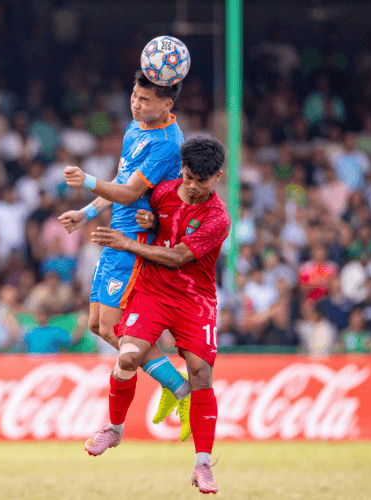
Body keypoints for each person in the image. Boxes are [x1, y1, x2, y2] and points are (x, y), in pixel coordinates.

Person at [83, 136, 229, 494]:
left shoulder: (217, 218)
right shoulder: (163, 191)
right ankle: (114, 430)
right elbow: (131, 198)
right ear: (182, 169)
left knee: (201, 372)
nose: (193, 187)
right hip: (153, 291)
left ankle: (203, 465)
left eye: (202, 181)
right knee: (128, 353)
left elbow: (179, 256)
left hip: (195, 299)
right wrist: (147, 221)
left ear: (218, 177)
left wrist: (130, 242)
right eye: (189, 177)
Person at [58, 70, 191, 435]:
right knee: (98, 325)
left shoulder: (167, 143)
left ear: (167, 104)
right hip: (113, 235)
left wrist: (86, 181)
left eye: (145, 100)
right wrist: (86, 213)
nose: (136, 103)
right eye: (134, 95)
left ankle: (181, 387)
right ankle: (174, 382)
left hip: (135, 242)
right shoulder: (135, 129)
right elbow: (119, 184)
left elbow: (131, 193)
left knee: (120, 329)